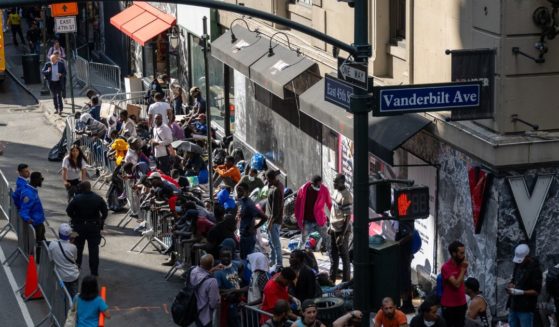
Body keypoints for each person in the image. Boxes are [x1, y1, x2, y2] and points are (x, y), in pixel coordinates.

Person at [66, 181, 108, 276]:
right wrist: (100, 220)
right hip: (93, 227)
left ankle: (76, 269)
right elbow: (105, 212)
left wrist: (75, 218)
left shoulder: (76, 198)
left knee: (78, 249)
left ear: (81, 188)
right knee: (93, 251)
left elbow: (68, 211)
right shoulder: (98, 198)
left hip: (79, 227)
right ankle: (94, 272)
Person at [506, 244, 543, 327]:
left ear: (527, 257)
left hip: (525, 308)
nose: (520, 262)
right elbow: (514, 279)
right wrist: (511, 285)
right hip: (514, 306)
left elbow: (537, 291)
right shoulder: (517, 265)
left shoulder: (535, 270)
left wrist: (521, 292)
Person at [295, 175, 332, 251]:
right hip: (307, 220)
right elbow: (297, 205)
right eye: (317, 185)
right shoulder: (303, 189)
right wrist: (298, 218)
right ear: (312, 183)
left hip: (319, 220)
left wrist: (333, 216)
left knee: (327, 239)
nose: (318, 186)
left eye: (320, 184)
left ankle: (331, 255)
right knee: (303, 239)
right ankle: (298, 255)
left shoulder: (324, 190)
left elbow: (329, 203)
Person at [328, 174, 352, 283]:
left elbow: (348, 217)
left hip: (341, 230)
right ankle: (331, 279)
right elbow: (334, 210)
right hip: (333, 228)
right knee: (333, 255)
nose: (334, 184)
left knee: (344, 257)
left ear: (342, 183)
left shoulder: (346, 196)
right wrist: (330, 226)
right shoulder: (336, 191)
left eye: (336, 182)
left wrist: (342, 235)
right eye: (334, 182)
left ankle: (345, 281)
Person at [214, 248, 245, 327]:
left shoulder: (234, 264)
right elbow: (218, 289)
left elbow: (241, 266)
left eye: (228, 256)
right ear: (220, 257)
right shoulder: (218, 272)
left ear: (231, 257)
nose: (226, 258)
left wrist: (239, 279)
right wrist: (230, 291)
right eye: (224, 256)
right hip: (228, 303)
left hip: (238, 299)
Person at [236, 182, 268, 259]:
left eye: (241, 190)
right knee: (243, 257)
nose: (239, 192)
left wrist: (254, 227)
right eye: (238, 190)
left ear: (247, 192)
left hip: (248, 237)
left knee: (247, 259)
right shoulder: (242, 201)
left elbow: (264, 217)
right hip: (243, 234)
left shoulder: (249, 204)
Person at [19, 172, 46, 259]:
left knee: (43, 244)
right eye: (41, 179)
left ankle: (40, 260)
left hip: (39, 222)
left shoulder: (32, 191)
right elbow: (24, 210)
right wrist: (28, 219)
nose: (42, 181)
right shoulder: (29, 194)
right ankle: (38, 261)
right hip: (36, 224)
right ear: (35, 180)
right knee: (40, 245)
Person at [441, 240, 468, 327]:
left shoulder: (462, 264)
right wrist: (463, 269)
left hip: (461, 303)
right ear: (454, 253)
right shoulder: (446, 267)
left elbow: (461, 281)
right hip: (449, 305)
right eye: (461, 253)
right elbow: (456, 284)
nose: (463, 256)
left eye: (464, 253)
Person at [48, 223, 79, 298]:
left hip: (62, 276)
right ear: (69, 236)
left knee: (63, 296)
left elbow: (50, 258)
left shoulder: (52, 244)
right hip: (73, 276)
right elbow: (74, 259)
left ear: (59, 234)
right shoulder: (73, 247)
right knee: (74, 297)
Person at [190, 254, 220, 327]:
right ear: (212, 264)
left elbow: (202, 272)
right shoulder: (212, 281)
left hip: (195, 309)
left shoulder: (193, 271)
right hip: (206, 315)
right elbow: (213, 303)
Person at [265, 169, 284, 270]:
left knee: (276, 244)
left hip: (274, 221)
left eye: (268, 180)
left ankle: (279, 264)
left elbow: (275, 211)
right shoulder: (276, 185)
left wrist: (270, 223)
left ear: (272, 179)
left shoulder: (276, 190)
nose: (267, 181)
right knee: (271, 243)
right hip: (272, 220)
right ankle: (273, 261)